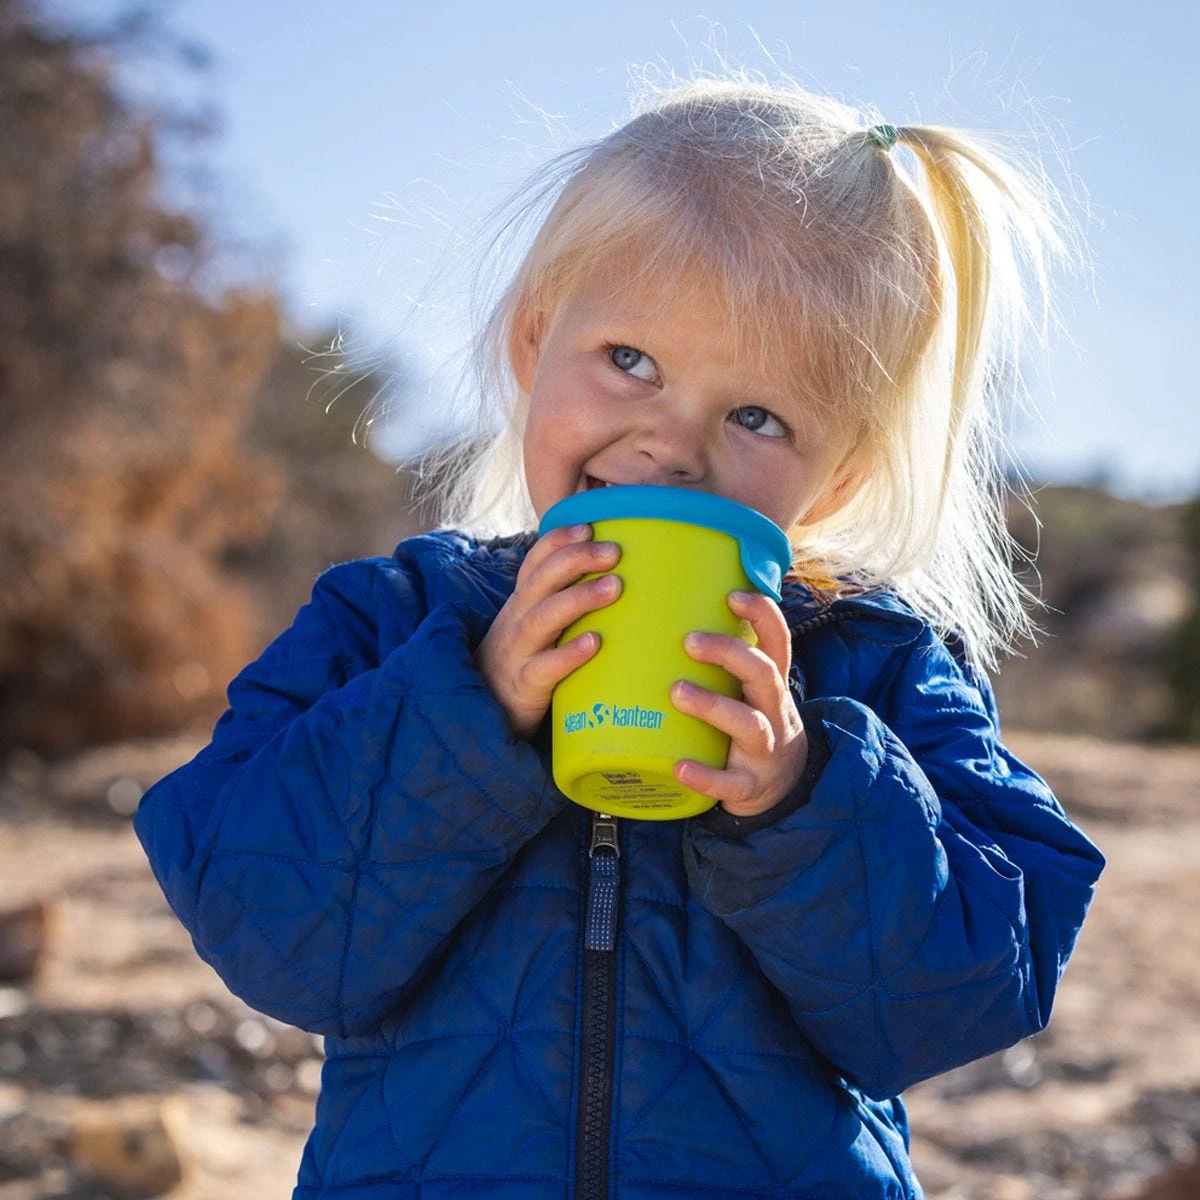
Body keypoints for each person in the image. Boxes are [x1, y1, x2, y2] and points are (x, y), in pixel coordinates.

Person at [134, 75, 1106, 1199]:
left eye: (757, 416)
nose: (670, 447)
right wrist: (469, 708)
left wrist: (801, 796)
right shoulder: (396, 621)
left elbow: (966, 996)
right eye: (630, 361)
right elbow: (267, 929)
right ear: (533, 339)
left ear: (836, 475)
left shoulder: (876, 668)